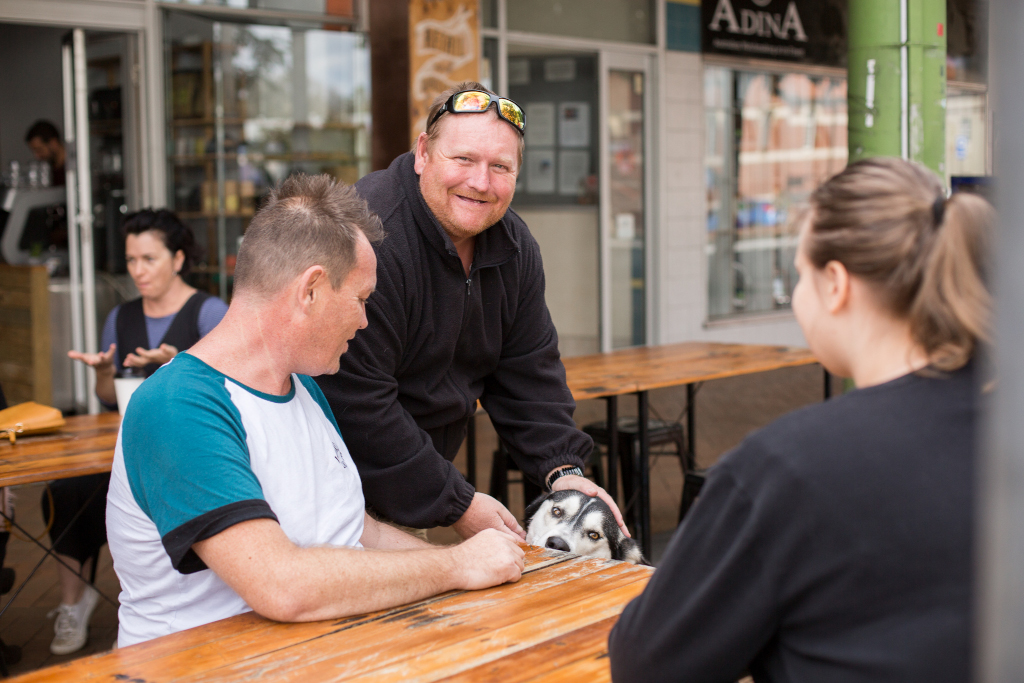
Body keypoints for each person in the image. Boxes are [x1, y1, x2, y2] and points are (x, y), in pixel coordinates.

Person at [609, 157, 992, 682]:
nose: (797, 297)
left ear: (836, 284)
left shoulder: (788, 468)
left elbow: (647, 662)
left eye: (799, 276)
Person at [105, 173, 524, 647]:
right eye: (362, 299)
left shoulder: (304, 387)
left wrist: (481, 561)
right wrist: (456, 565)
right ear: (311, 290)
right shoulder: (178, 407)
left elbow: (356, 530)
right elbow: (282, 586)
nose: (366, 320)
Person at [315, 82, 625, 541]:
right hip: (324, 486)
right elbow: (356, 400)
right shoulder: (369, 235)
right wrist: (456, 502)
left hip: (412, 490)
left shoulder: (513, 248)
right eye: (463, 160)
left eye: (500, 166)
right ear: (423, 153)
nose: (481, 182)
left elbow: (528, 371)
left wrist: (564, 469)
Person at [54, 209, 227, 655]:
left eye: (148, 259)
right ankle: (73, 604)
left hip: (185, 455)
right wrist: (101, 375)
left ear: (177, 258)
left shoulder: (208, 312)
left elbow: (233, 387)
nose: (138, 271)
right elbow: (110, 400)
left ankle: (156, 615)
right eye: (132, 260)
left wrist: (181, 363)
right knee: (64, 493)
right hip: (127, 448)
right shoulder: (121, 316)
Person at [24, 120, 66, 186]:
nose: (37, 156)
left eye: (39, 150)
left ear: (53, 143)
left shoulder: (72, 171)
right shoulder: (49, 171)